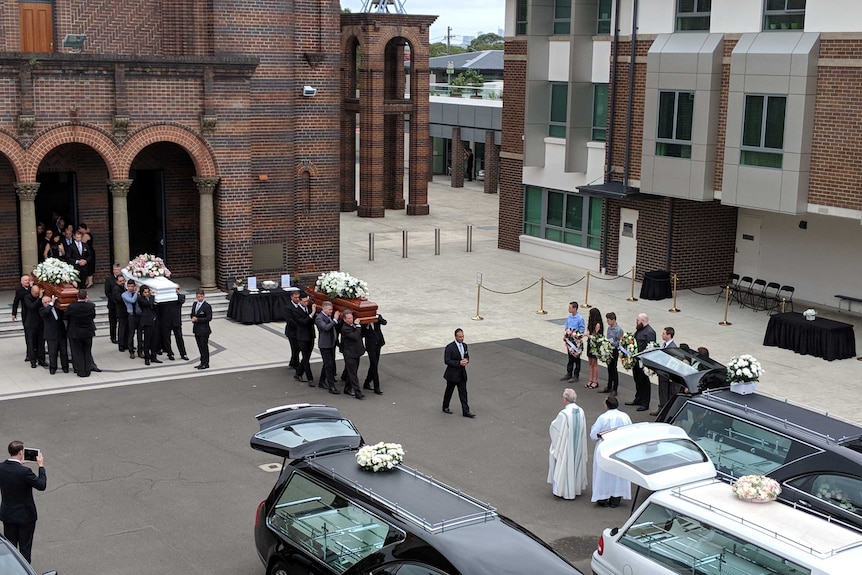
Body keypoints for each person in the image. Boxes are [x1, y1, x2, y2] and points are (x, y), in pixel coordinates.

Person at [0, 441, 47, 563]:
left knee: (10, 547)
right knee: (25, 547)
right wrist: (41, 466)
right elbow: (41, 485)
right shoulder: (25, 472)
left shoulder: (1, 468)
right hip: (25, 516)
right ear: (21, 452)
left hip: (8, 514)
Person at [590, 397, 633, 508]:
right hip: (620, 447)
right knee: (618, 472)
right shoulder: (625, 416)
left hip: (605, 447)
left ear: (607, 405)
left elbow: (594, 434)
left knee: (603, 472)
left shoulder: (603, 418)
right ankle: (616, 498)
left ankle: (603, 497)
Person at [547, 388, 589, 500]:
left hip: (566, 446)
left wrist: (556, 443)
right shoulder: (581, 411)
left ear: (565, 399)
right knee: (575, 464)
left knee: (564, 464)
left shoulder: (564, 414)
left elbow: (555, 428)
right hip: (577, 445)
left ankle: (563, 490)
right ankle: (575, 488)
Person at [64, 289, 100, 377]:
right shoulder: (91, 306)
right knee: (87, 351)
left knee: (77, 352)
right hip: (87, 332)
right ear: (86, 296)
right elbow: (93, 316)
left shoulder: (72, 307)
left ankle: (80, 370)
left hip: (75, 333)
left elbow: (66, 317)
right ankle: (87, 370)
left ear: (77, 296)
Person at [625, 313, 656, 412]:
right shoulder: (639, 330)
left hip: (643, 362)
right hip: (636, 360)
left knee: (644, 382)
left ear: (642, 321)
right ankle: (638, 398)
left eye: (637, 320)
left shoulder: (650, 332)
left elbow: (650, 347)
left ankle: (645, 403)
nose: (636, 322)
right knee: (637, 380)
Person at [442, 328, 475, 417]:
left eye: (463, 336)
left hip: (461, 374)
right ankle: (445, 406)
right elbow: (447, 361)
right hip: (452, 374)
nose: (462, 338)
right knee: (449, 391)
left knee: (463, 393)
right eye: (460, 337)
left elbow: (467, 356)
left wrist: (466, 361)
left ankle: (466, 411)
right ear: (455, 337)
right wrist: (459, 363)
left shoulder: (464, 346)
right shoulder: (450, 347)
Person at [290, 292, 317, 386]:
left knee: (307, 357)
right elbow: (304, 322)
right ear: (300, 300)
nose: (306, 303)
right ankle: (310, 378)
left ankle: (298, 373)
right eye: (304, 301)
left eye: (307, 301)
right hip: (302, 337)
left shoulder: (309, 307)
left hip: (311, 335)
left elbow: (313, 320)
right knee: (305, 358)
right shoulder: (296, 311)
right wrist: (312, 313)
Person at [39, 294, 69, 375]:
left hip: (61, 333)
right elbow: (46, 312)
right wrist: (51, 304)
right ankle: (53, 368)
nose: (48, 303)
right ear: (43, 303)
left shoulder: (57, 309)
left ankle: (65, 367)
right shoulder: (42, 310)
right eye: (46, 302)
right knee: (52, 352)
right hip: (51, 334)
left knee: (63, 352)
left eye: (49, 301)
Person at [339, 310, 366, 399]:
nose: (351, 319)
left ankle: (347, 388)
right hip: (350, 354)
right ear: (344, 319)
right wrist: (358, 326)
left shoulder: (352, 325)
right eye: (349, 318)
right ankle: (357, 392)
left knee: (352, 372)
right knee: (353, 374)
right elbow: (354, 336)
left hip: (356, 352)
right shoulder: (345, 328)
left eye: (351, 317)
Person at [315, 301, 340, 394]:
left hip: (331, 343)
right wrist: (335, 320)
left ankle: (322, 381)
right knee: (329, 365)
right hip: (325, 345)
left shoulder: (328, 316)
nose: (331, 311)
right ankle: (331, 386)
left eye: (332, 309)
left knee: (328, 363)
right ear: (323, 309)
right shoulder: (319, 318)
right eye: (329, 309)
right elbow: (325, 328)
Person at [652, 326, 678, 416]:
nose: (662, 335)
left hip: (667, 375)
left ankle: (664, 411)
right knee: (662, 392)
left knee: (665, 393)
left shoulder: (672, 347)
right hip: (662, 373)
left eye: (664, 333)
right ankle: (661, 408)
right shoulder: (665, 345)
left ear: (669, 335)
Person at [160, 286, 188, 361]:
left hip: (176, 321)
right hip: (166, 321)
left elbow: (182, 300)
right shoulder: (164, 298)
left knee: (179, 338)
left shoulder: (180, 296)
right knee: (167, 339)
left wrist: (176, 292)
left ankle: (183, 353)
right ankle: (170, 353)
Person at [362, 314, 387, 395]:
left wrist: (378, 319)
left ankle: (367, 382)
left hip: (378, 343)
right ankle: (377, 387)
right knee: (374, 364)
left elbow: (384, 322)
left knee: (374, 364)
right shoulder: (364, 321)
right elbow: (362, 334)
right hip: (370, 346)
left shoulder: (377, 317)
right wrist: (367, 326)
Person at [22, 286, 46, 369]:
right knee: (31, 343)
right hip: (31, 324)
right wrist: (39, 298)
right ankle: (33, 361)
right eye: (35, 293)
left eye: (38, 293)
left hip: (40, 323)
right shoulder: (27, 297)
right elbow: (32, 307)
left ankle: (41, 360)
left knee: (41, 343)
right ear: (32, 292)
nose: (37, 294)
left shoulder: (41, 296)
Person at [561, 301, 586, 382]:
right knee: (570, 358)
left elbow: (582, 330)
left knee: (576, 358)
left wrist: (575, 334)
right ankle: (569, 373)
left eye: (570, 308)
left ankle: (576, 375)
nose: (569, 309)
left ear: (575, 308)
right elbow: (566, 326)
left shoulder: (580, 319)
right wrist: (567, 332)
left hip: (576, 341)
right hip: (570, 340)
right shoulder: (569, 317)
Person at [138, 286, 161, 366]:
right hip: (147, 322)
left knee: (155, 340)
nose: (147, 294)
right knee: (147, 341)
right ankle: (147, 358)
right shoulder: (141, 299)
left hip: (154, 321)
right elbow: (149, 303)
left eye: (148, 292)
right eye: (145, 292)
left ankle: (154, 356)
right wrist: (152, 296)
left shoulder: (152, 298)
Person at [602, 312, 623, 396]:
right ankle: (609, 386)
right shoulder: (609, 328)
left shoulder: (618, 330)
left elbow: (620, 341)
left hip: (614, 350)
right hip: (609, 349)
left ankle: (615, 388)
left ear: (613, 320)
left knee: (614, 369)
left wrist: (612, 342)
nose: (607, 322)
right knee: (609, 368)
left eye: (608, 320)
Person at [190, 289, 212, 370]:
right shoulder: (195, 304)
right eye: (198, 296)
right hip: (197, 329)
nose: (200, 298)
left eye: (201, 296)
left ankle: (205, 363)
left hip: (204, 329)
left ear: (203, 296)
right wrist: (192, 318)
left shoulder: (207, 306)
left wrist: (198, 319)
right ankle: (202, 362)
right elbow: (192, 314)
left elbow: (209, 318)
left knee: (204, 347)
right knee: (200, 346)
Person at [122, 280, 143, 358]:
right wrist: (136, 293)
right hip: (131, 316)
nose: (130, 288)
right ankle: (131, 351)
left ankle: (140, 351)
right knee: (131, 333)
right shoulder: (124, 294)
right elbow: (132, 300)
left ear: (134, 286)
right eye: (129, 286)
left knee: (140, 334)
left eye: (132, 286)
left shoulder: (138, 294)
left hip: (139, 315)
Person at [283, 290, 301, 376]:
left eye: (298, 297)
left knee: (297, 348)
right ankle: (296, 363)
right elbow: (289, 320)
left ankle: (293, 361)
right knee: (295, 347)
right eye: (295, 297)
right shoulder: (288, 307)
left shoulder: (300, 305)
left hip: (299, 331)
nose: (297, 299)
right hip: (292, 332)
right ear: (291, 297)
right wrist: (301, 324)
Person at [585, 307, 604, 389]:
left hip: (595, 345)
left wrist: (587, 335)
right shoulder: (591, 323)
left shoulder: (598, 324)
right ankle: (590, 379)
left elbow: (595, 336)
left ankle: (595, 380)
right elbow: (589, 331)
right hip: (590, 343)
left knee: (594, 363)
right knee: (590, 363)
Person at [103, 263, 122, 344]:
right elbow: (107, 292)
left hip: (121, 305)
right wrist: (115, 300)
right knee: (113, 322)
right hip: (112, 304)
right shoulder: (109, 279)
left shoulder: (123, 278)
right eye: (115, 270)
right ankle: (113, 337)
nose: (116, 271)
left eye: (118, 270)